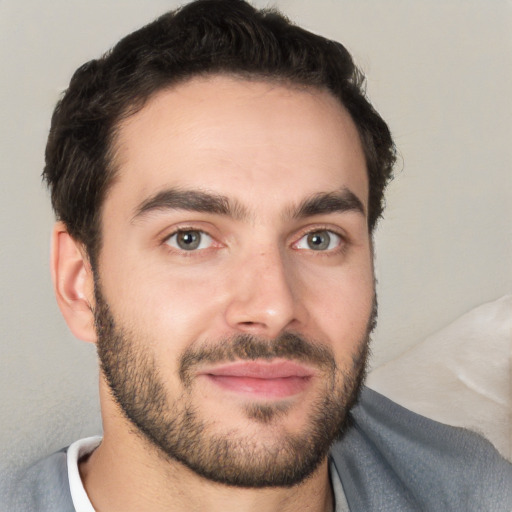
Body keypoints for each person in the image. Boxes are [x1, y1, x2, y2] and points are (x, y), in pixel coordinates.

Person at [4, 0, 511, 510]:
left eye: (319, 239)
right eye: (190, 239)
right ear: (78, 284)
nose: (272, 307)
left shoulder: (476, 491)